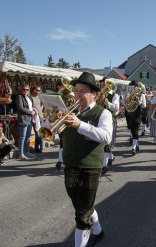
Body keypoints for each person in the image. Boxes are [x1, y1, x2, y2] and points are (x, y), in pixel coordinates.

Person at [61, 71, 112, 246]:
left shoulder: (103, 113)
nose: (78, 94)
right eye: (76, 90)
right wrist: (50, 121)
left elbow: (106, 137)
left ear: (94, 94)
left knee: (82, 214)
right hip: (70, 166)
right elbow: (51, 135)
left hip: (90, 168)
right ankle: (98, 231)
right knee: (82, 207)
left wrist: (79, 124)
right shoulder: (69, 112)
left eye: (83, 91)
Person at [97, 78, 119, 174]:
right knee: (101, 142)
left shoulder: (115, 95)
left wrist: (106, 102)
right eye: (102, 85)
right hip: (98, 119)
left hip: (110, 120)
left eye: (105, 85)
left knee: (107, 143)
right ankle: (111, 157)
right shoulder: (98, 94)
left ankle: (104, 165)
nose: (103, 87)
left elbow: (116, 108)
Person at [124, 80, 147, 155]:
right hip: (128, 113)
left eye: (135, 86)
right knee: (130, 129)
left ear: (137, 87)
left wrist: (139, 103)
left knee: (135, 130)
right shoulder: (128, 93)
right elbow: (122, 102)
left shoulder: (142, 94)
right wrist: (125, 101)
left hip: (137, 114)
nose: (133, 87)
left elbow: (144, 105)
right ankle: (136, 145)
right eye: (132, 86)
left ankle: (133, 148)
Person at [16, 84, 36, 160]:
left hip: (30, 119)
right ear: (21, 90)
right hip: (23, 118)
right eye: (24, 89)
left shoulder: (30, 97)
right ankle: (21, 153)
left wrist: (34, 110)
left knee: (28, 136)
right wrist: (30, 112)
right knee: (22, 136)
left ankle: (26, 151)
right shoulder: (19, 97)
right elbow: (20, 108)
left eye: (27, 89)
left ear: (29, 90)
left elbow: (32, 106)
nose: (25, 91)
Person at [30, 85, 44, 153]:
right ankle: (40, 145)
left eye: (39, 90)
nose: (39, 92)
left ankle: (37, 147)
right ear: (34, 90)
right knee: (37, 133)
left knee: (41, 132)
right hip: (35, 118)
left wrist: (41, 110)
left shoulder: (39, 97)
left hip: (41, 116)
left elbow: (42, 104)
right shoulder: (31, 97)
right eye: (38, 90)